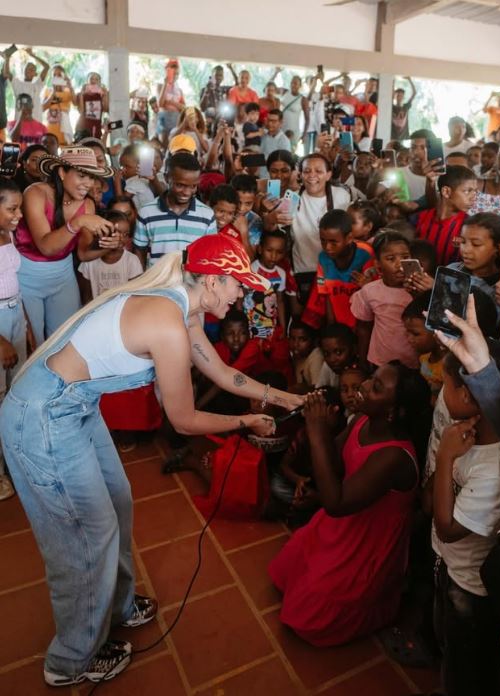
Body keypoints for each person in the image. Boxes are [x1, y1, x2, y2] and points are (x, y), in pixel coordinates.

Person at [0, 233, 303, 686]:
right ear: (215, 281)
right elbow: (182, 420)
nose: (242, 295)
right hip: (45, 415)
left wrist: (285, 398)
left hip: (75, 405)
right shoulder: (167, 320)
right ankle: (71, 660)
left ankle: (116, 604)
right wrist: (246, 423)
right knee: (87, 533)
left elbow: (221, 372)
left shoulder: (185, 305)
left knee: (118, 501)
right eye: (238, 285)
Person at [269, 365, 431, 646]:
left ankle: (381, 606)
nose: (365, 386)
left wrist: (316, 431)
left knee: (308, 620)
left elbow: (336, 503)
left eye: (377, 387)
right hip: (344, 521)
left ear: (394, 412)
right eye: (372, 378)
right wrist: (322, 432)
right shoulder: (361, 421)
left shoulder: (394, 455)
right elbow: (335, 464)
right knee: (285, 570)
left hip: (367, 541)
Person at [427, 345, 500, 696]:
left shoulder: (494, 467)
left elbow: (447, 529)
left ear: (468, 395)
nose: (441, 392)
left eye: (447, 386)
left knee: (466, 668)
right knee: (452, 650)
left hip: (468, 587)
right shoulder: (472, 438)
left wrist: (444, 456)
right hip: (451, 571)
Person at [15, 147, 118, 345]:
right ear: (62, 172)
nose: (87, 184)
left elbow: (83, 253)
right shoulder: (35, 193)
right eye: (81, 176)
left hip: (62, 275)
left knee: (64, 340)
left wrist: (109, 245)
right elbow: (46, 246)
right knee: (31, 343)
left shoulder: (87, 205)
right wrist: (78, 222)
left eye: (91, 178)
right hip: (28, 276)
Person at [133, 152, 216, 268]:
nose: (187, 192)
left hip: (190, 285)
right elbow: (139, 254)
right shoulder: (146, 213)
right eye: (180, 185)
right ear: (167, 178)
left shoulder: (207, 215)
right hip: (156, 285)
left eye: (193, 186)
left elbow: (209, 256)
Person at [351, 231, 418, 371]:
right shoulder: (369, 291)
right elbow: (364, 328)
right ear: (378, 264)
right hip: (380, 361)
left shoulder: (418, 291)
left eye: (405, 257)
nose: (400, 264)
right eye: (391, 259)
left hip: (413, 363)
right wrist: (363, 360)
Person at [291, 153, 351, 300]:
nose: (312, 175)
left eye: (318, 171)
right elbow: (274, 229)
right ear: (300, 174)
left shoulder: (341, 196)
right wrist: (270, 218)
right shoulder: (292, 199)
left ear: (328, 175)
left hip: (336, 270)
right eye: (306, 171)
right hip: (305, 269)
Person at [302, 209, 374, 329]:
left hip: (363, 325)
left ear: (349, 238)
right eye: (323, 241)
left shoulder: (366, 254)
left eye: (333, 242)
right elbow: (326, 295)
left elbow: (373, 291)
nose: (327, 247)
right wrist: (333, 327)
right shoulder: (323, 259)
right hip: (339, 322)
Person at [0, 177, 26, 500]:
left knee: (16, 392)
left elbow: (13, 282)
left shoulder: (7, 234)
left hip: (15, 313)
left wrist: (25, 325)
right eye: (12, 209)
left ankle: (15, 460)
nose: (18, 215)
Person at [414, 166, 478, 266]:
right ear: (446, 192)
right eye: (467, 191)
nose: (473, 197)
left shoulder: (470, 225)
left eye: (475, 191)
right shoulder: (419, 218)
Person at [78, 210, 143, 303]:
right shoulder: (89, 261)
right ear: (103, 230)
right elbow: (86, 297)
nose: (121, 238)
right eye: (117, 232)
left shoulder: (132, 261)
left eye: (126, 234)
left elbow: (134, 296)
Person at [402, 291, 447, 403]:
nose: (409, 339)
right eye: (407, 331)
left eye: (415, 334)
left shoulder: (448, 368)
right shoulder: (424, 357)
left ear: (438, 331)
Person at [4, 46, 49, 122]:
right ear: (24, 71)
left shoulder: (38, 84)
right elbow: (7, 73)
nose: (29, 70)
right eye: (27, 68)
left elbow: (46, 67)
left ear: (35, 74)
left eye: (32, 69)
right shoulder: (17, 83)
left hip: (35, 123)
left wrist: (32, 55)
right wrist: (7, 58)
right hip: (20, 125)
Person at [42, 65, 76, 146]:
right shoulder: (48, 91)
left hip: (64, 129)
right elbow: (43, 108)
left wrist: (70, 86)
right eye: (54, 75)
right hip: (51, 129)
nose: (57, 77)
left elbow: (75, 103)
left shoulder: (68, 91)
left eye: (59, 75)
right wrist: (53, 91)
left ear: (64, 77)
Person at [316, 322, 357, 388]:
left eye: (338, 352)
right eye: (326, 354)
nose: (332, 359)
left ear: (353, 349)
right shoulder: (327, 367)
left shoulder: (359, 374)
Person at [156, 58, 185, 147]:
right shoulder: (160, 86)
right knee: (164, 145)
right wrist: (166, 83)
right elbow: (160, 104)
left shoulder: (179, 90)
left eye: (177, 74)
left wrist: (170, 102)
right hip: (164, 118)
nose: (175, 76)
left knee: (175, 144)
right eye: (173, 73)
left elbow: (183, 107)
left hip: (176, 118)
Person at [289, 319, 324, 388]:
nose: (296, 344)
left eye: (302, 339)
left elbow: (317, 390)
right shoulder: (297, 356)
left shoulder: (316, 357)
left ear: (314, 341)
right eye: (293, 338)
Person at [279, 75, 309, 149]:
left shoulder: (303, 99)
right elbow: (267, 89)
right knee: (279, 151)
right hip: (280, 128)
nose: (293, 85)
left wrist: (304, 134)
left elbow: (307, 119)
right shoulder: (284, 92)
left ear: (300, 85)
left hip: (294, 130)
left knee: (290, 153)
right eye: (292, 82)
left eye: (295, 83)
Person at [77, 72, 109, 139]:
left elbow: (106, 109)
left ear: (99, 83)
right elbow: (81, 111)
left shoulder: (101, 95)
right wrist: (81, 95)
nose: (93, 81)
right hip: (83, 127)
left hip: (96, 127)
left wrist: (105, 95)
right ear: (87, 82)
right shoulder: (83, 95)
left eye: (96, 79)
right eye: (91, 78)